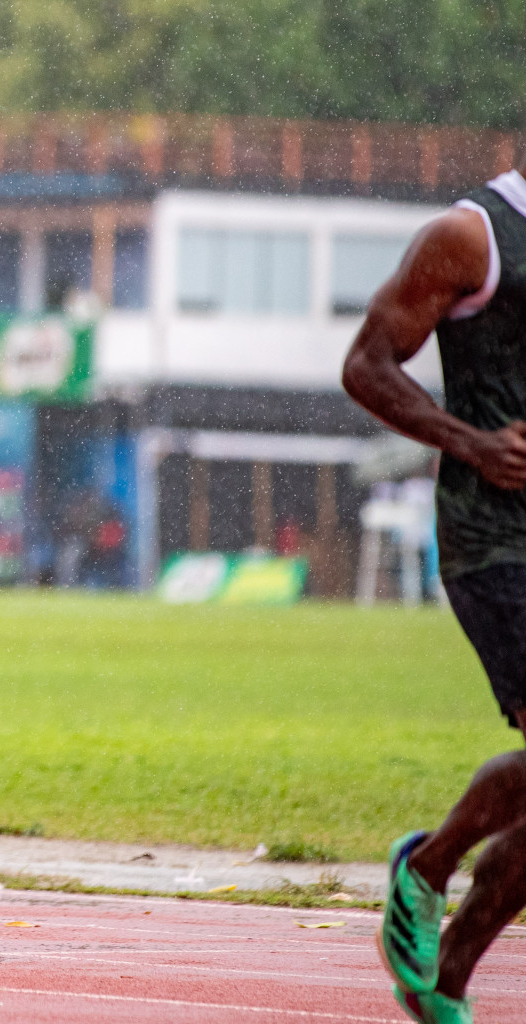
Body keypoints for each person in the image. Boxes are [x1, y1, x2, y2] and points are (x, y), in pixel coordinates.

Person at [343, 162, 526, 1024]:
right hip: (495, 542)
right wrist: (472, 443)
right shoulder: (472, 237)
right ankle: (425, 868)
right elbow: (367, 363)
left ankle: (446, 978)